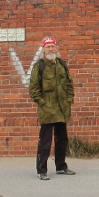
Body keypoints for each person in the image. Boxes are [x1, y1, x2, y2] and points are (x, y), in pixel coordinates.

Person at [29, 37, 75, 180]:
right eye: (48, 47)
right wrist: (43, 103)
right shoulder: (39, 66)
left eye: (53, 46)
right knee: (45, 141)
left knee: (62, 140)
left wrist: (69, 100)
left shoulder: (61, 64)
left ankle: (61, 166)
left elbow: (69, 84)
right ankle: (41, 170)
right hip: (47, 110)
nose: (50, 49)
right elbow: (34, 89)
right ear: (43, 49)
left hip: (62, 109)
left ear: (56, 48)